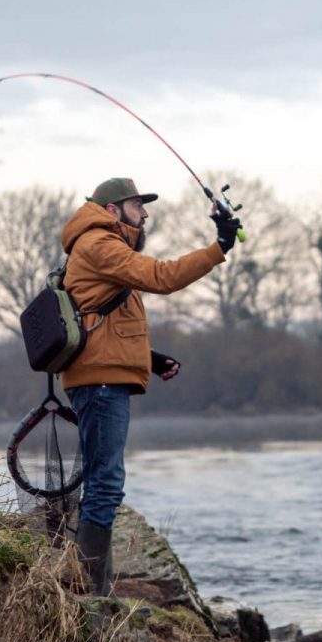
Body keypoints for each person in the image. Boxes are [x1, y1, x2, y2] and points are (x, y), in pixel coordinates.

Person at [60, 177, 240, 595]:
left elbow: (105, 318)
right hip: (100, 381)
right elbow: (162, 276)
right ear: (111, 210)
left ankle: (92, 592)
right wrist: (219, 248)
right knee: (105, 482)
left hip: (103, 374)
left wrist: (148, 358)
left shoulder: (100, 246)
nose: (144, 213)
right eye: (136, 205)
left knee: (102, 479)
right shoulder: (99, 245)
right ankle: (93, 598)